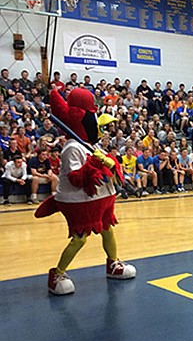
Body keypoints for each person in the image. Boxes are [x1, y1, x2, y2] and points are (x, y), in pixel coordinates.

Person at [34, 88, 136, 295]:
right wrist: (96, 164)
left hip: (101, 199)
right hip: (79, 201)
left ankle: (113, 263)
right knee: (80, 238)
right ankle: (57, 273)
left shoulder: (91, 144)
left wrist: (109, 162)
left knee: (108, 229)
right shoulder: (73, 147)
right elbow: (76, 178)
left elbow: (108, 168)